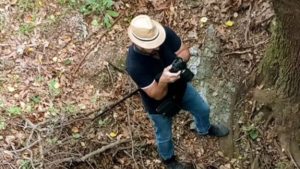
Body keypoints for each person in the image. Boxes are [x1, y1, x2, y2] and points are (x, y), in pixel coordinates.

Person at [126, 15, 229, 169]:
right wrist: (163, 79)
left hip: (181, 88)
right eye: (152, 45)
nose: (157, 46)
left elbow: (185, 52)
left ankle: (204, 128)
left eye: (157, 42)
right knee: (164, 135)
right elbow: (156, 94)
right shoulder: (134, 64)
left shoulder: (164, 33)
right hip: (158, 104)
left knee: (203, 109)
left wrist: (177, 63)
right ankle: (169, 160)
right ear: (138, 43)